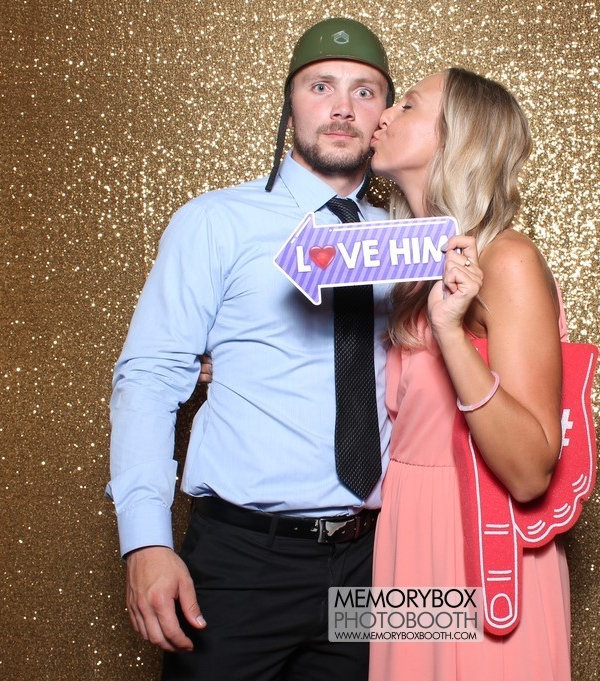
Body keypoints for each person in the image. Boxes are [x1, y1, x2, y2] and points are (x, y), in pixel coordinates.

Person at [106, 18, 395, 680]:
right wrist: (145, 541)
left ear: (384, 114)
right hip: (242, 561)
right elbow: (149, 377)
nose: (343, 108)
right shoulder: (215, 222)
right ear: (290, 103)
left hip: (374, 560)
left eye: (365, 91)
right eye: (321, 86)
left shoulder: (413, 238)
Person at [367, 68, 571, 679]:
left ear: (459, 138)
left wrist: (451, 334)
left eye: (407, 105)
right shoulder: (411, 271)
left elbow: (531, 471)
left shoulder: (507, 259)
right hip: (405, 540)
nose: (383, 114)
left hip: (479, 543)